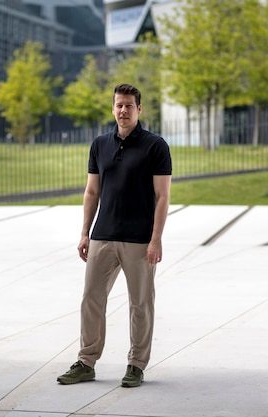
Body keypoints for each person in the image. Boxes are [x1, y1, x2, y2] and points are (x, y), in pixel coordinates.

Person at [57, 83, 172, 387]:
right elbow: (92, 191)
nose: (123, 111)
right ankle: (86, 361)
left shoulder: (155, 146)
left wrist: (156, 238)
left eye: (129, 106)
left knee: (140, 304)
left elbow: (162, 197)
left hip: (139, 239)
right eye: (119, 105)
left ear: (139, 109)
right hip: (103, 235)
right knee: (91, 299)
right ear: (113, 108)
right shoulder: (99, 145)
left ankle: (136, 364)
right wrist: (85, 233)